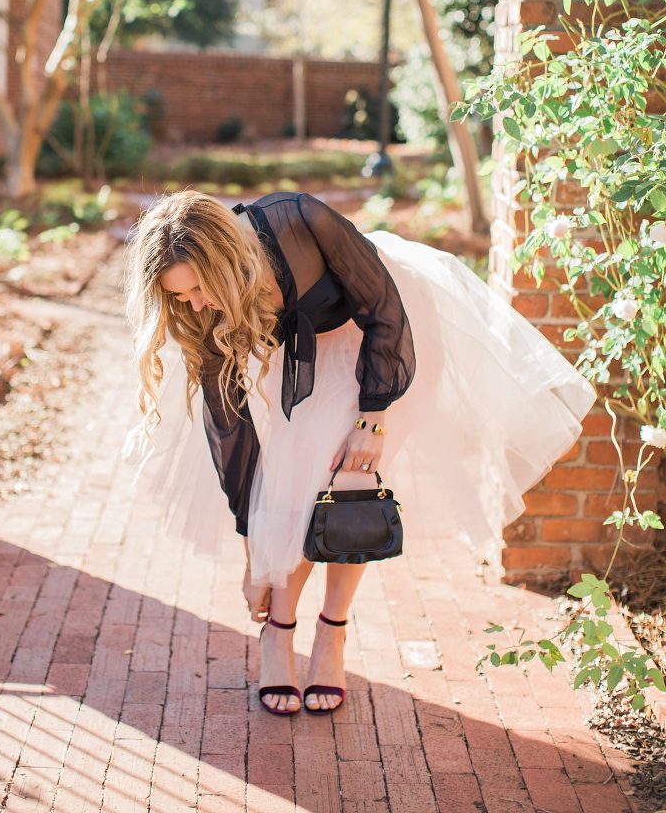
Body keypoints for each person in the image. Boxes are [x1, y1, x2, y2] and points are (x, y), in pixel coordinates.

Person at [123, 189, 596, 717]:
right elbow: (230, 430)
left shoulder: (301, 219)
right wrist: (254, 549)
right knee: (291, 483)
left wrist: (373, 416)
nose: (193, 304)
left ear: (226, 263)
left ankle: (332, 633)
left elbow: (385, 309)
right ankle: (278, 632)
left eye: (197, 290)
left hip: (384, 340)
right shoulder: (204, 312)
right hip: (308, 358)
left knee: (349, 487)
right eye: (178, 297)